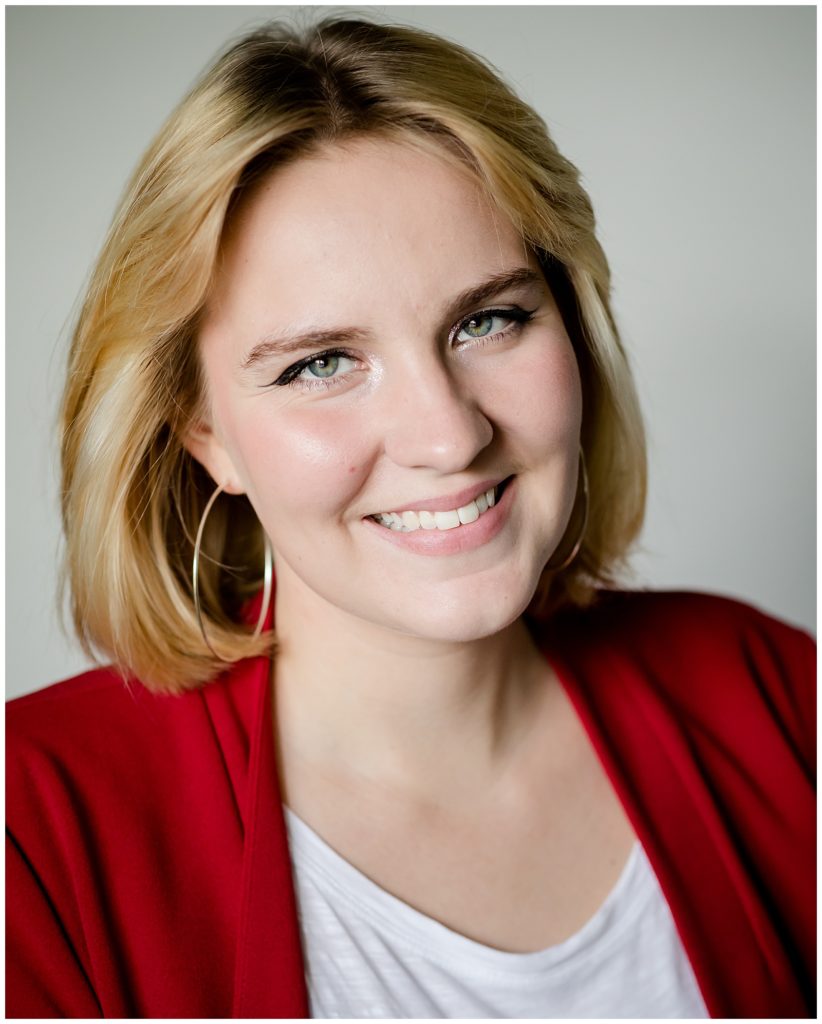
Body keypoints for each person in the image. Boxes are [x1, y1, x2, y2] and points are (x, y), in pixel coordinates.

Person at [6, 16, 814, 1020]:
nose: (446, 433)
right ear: (203, 432)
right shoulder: (29, 834)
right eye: (320, 363)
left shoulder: (782, 696)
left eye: (489, 319)